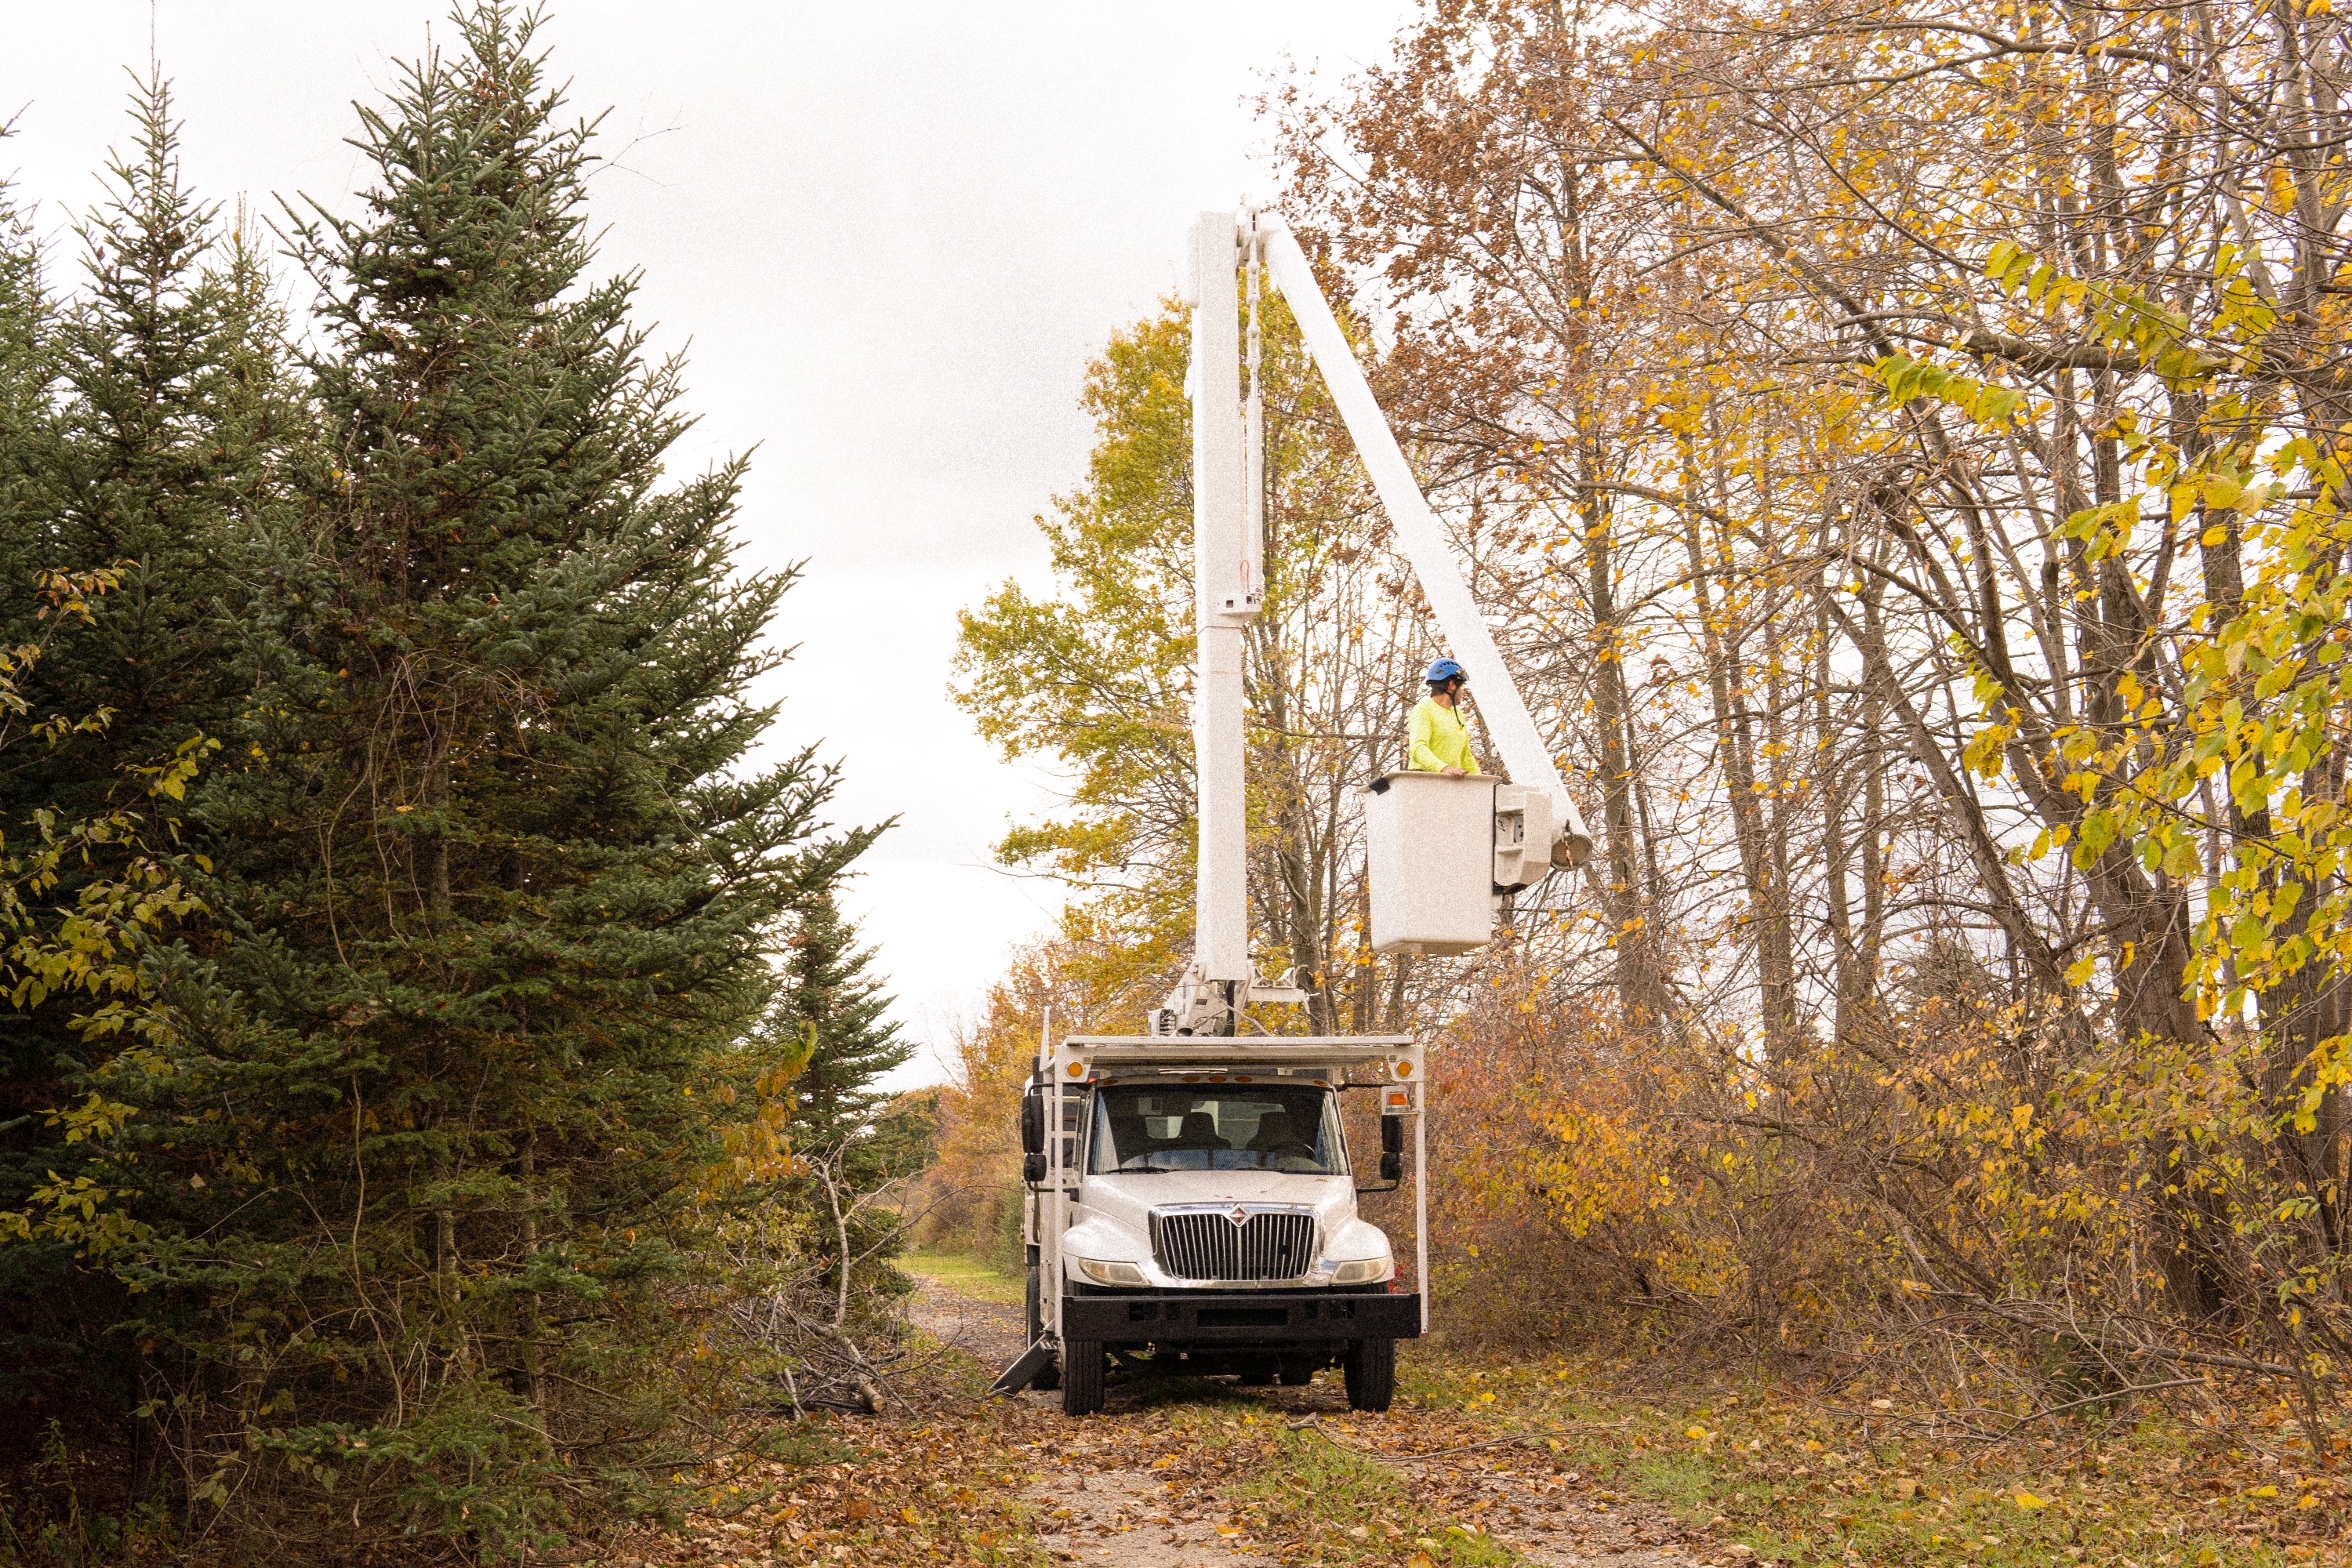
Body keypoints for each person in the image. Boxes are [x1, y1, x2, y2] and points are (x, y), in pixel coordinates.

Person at [1408, 658, 1479, 777]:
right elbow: (1418, 748)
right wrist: (1444, 768)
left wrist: (1484, 782)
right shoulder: (1423, 710)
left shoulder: (1459, 715)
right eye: (1461, 687)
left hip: (1449, 782)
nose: (1462, 692)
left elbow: (1466, 756)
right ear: (1452, 685)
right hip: (1423, 780)